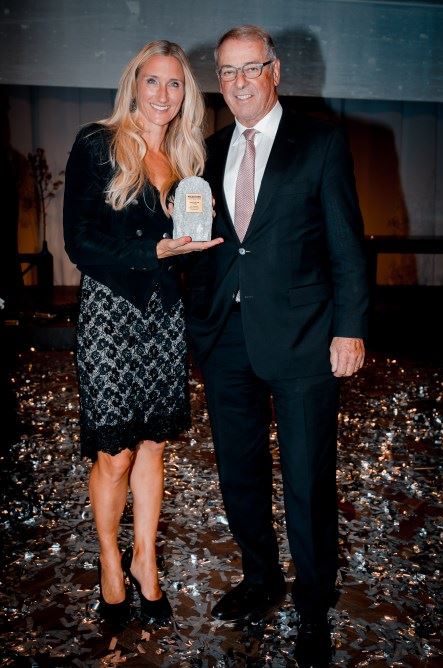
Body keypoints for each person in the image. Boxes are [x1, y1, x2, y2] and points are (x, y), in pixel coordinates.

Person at [186, 25, 368, 665]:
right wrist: (198, 322)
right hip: (227, 339)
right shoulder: (208, 152)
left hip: (304, 338)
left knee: (307, 479)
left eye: (250, 68)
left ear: (275, 71)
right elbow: (209, 247)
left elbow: (347, 243)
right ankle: (260, 579)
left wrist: (350, 327)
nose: (238, 83)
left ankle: (313, 604)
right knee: (239, 471)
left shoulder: (320, 142)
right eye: (227, 72)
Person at [63, 40, 222, 625]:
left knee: (153, 445)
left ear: (186, 94)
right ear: (134, 84)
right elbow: (78, 242)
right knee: (114, 454)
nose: (163, 93)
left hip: (163, 316)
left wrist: (200, 250)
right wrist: (152, 250)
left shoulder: (187, 159)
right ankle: (110, 558)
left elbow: (191, 248)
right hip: (109, 312)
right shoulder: (97, 143)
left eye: (174, 83)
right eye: (152, 81)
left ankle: (145, 561)